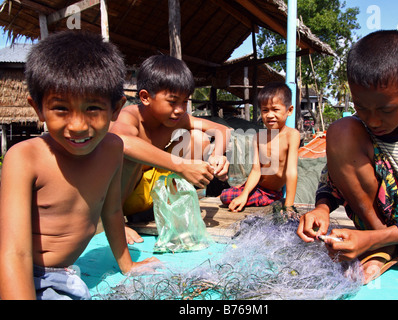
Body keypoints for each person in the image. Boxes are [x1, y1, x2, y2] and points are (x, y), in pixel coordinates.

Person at [0, 31, 159, 300]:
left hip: (63, 273)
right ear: (38, 108)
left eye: (93, 108)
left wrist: (127, 265)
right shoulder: (24, 157)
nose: (77, 126)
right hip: (24, 273)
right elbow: (15, 253)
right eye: (61, 109)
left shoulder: (113, 149)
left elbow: (112, 211)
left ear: (116, 108)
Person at [297, 30, 398, 298]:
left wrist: (368, 239)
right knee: (341, 131)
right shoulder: (360, 126)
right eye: (361, 107)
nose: (373, 120)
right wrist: (321, 209)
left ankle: (382, 243)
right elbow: (333, 175)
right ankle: (385, 246)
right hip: (383, 226)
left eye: (386, 109)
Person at [109, 55, 231, 244]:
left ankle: (171, 209)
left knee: (198, 138)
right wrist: (181, 165)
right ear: (145, 97)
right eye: (172, 101)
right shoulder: (130, 116)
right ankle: (116, 221)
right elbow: (122, 141)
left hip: (153, 194)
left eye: (184, 102)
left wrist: (217, 157)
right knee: (129, 154)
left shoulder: (178, 118)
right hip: (122, 199)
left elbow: (222, 130)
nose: (180, 109)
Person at [220, 82, 301, 213]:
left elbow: (291, 172)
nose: (269, 115)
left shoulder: (292, 135)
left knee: (227, 197)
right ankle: (244, 193)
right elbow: (256, 170)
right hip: (254, 186)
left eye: (275, 109)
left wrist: (289, 206)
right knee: (225, 195)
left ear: (289, 110)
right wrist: (245, 194)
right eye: (265, 110)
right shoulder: (258, 137)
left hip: (271, 193)